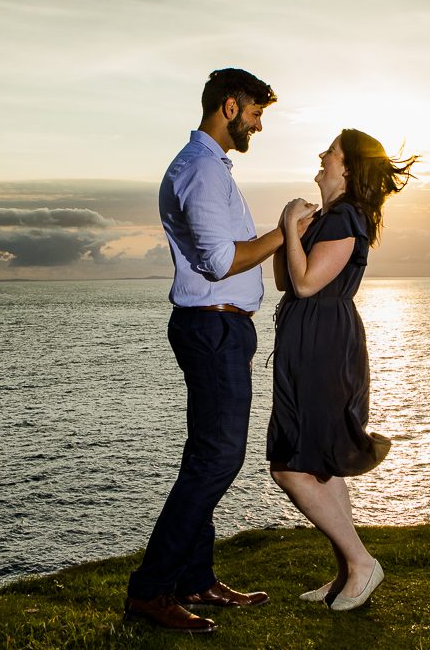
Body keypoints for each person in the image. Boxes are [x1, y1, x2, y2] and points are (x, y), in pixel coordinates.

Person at [125, 68, 288, 635]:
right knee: (218, 460)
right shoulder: (199, 170)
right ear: (229, 106)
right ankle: (151, 591)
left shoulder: (209, 167)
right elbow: (220, 261)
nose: (259, 125)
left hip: (218, 328)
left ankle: (194, 578)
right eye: (256, 113)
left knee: (206, 457)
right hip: (212, 330)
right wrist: (286, 231)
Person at [267, 128, 417, 611]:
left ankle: (361, 562)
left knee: (291, 466)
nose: (321, 156)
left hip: (323, 348)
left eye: (330, 152)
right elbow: (285, 280)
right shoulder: (330, 217)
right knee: (323, 466)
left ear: (348, 167)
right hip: (310, 343)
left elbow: (307, 285)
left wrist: (292, 228)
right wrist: (289, 228)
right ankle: (345, 574)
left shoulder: (346, 216)